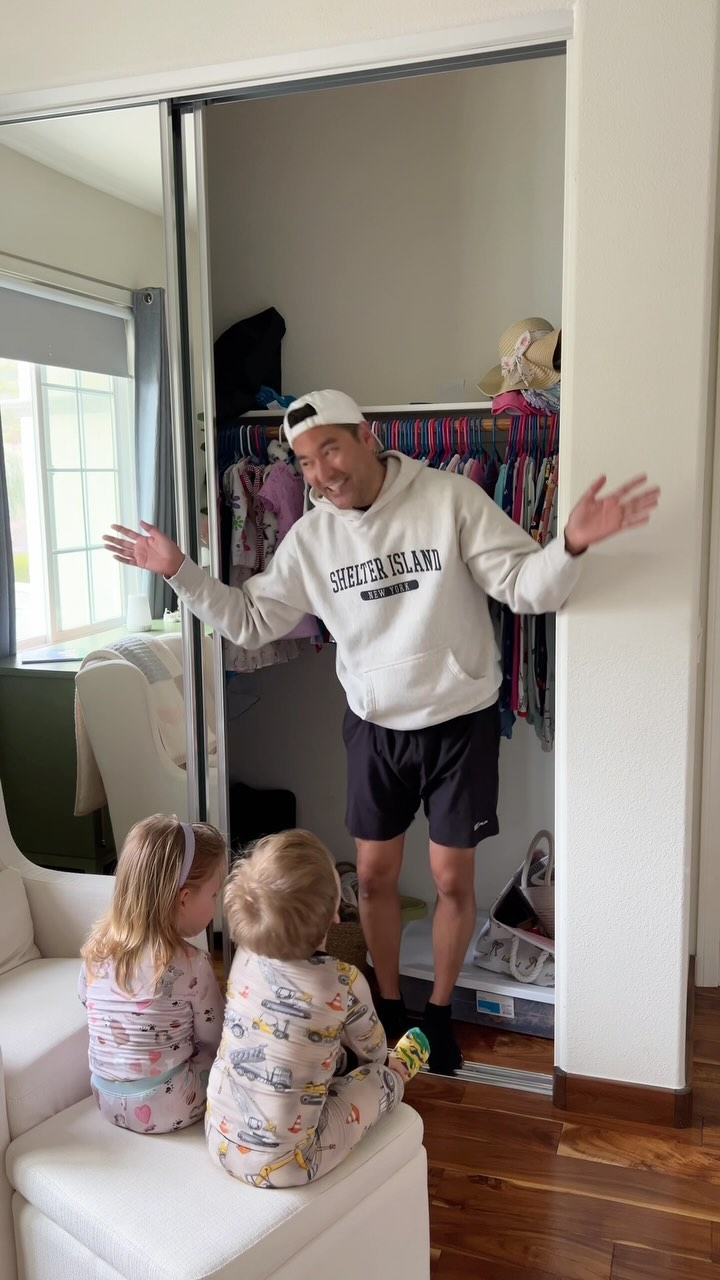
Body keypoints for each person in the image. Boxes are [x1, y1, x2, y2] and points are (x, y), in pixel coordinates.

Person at [105, 389, 660, 1074]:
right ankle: (391, 1010)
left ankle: (439, 1016)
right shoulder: (312, 538)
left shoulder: (449, 498)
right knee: (371, 879)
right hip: (375, 727)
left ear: (367, 437)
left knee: (451, 879)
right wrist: (179, 572)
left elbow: (526, 586)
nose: (321, 473)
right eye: (305, 462)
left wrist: (569, 543)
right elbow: (250, 621)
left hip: (459, 724)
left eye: (330, 450)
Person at [205, 829, 429, 1188]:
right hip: (291, 1162)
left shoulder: (242, 959)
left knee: (310, 1049)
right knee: (377, 1076)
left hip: (218, 1138)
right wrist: (381, 1065)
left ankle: (333, 1067)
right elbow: (372, 1051)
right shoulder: (342, 981)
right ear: (334, 916)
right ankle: (399, 1076)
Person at [79, 814, 226, 1133]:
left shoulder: (95, 951)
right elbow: (214, 1035)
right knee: (227, 1052)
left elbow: (87, 1001)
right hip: (168, 1104)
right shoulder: (193, 963)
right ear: (184, 899)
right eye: (214, 895)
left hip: (105, 1100)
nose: (217, 905)